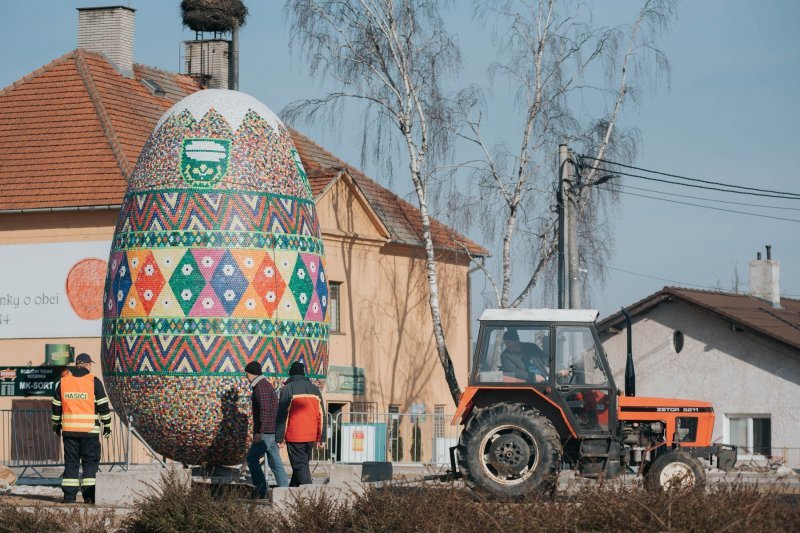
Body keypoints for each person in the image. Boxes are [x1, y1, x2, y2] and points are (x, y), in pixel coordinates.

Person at [50, 353, 112, 504]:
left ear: (77, 364)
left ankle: (69, 498)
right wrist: (107, 425)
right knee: (90, 463)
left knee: (71, 463)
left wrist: (56, 425)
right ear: (88, 365)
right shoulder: (94, 382)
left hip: (69, 431)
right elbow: (103, 406)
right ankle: (89, 497)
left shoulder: (63, 382)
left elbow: (56, 407)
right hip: (89, 432)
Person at [275, 361, 326, 487]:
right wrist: (322, 437)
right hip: (310, 437)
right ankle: (293, 495)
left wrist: (279, 437)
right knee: (301, 466)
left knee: (300, 467)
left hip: (295, 435)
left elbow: (283, 415)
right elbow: (322, 415)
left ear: (291, 374)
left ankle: (311, 497)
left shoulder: (288, 389)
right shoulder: (315, 390)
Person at [244, 360, 288, 499]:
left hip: (265, 433)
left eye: (246, 374)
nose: (246, 376)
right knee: (276, 463)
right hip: (271, 432)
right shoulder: (264, 385)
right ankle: (285, 493)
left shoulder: (261, 386)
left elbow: (265, 409)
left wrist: (259, 432)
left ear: (250, 373)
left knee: (251, 458)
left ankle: (261, 490)